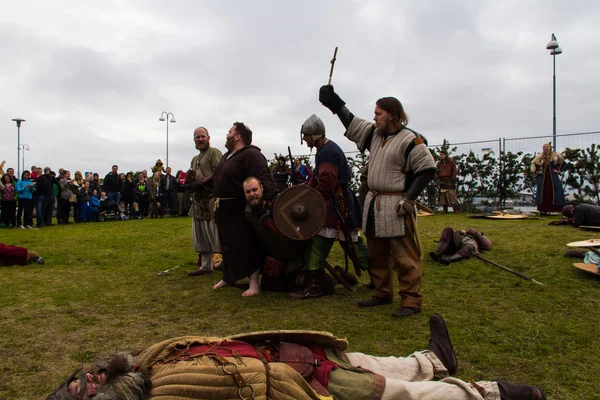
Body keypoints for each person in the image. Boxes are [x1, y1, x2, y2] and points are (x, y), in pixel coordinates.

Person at [47, 315, 546, 400]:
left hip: (282, 352)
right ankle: (490, 393)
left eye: (81, 376)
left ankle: (433, 359)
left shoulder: (144, 363)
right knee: (392, 393)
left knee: (365, 361)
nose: (88, 376)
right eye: (83, 389)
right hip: (293, 387)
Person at [319, 85, 437, 317]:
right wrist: (333, 102)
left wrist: (410, 199)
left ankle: (411, 300)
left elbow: (427, 169)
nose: (374, 117)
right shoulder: (374, 134)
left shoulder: (411, 140)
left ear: (392, 115)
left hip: (397, 205)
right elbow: (352, 122)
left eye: (378, 113)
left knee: (404, 255)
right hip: (374, 204)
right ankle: (382, 292)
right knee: (377, 252)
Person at [290, 114, 367, 298]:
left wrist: (311, 201)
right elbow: (316, 179)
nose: (305, 140)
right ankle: (380, 275)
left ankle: (315, 286)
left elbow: (326, 183)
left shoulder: (326, 152)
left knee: (320, 244)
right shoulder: (325, 149)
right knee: (353, 244)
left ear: (315, 135)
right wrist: (302, 191)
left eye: (307, 136)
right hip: (337, 203)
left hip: (336, 205)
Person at [212, 122, 276, 296]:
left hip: (240, 208)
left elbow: (263, 176)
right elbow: (216, 177)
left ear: (238, 136)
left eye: (230, 131)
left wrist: (269, 199)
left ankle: (254, 284)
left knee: (247, 244)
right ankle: (229, 277)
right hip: (224, 209)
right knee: (227, 246)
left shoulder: (251, 154)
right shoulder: (228, 156)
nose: (227, 134)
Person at [243, 176, 308, 293]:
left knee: (303, 285)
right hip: (274, 258)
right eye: (248, 192)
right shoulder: (249, 212)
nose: (252, 194)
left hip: (295, 256)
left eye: (254, 190)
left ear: (261, 188)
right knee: (271, 286)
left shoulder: (277, 204)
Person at [186, 127, 223, 277]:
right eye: (197, 137)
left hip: (211, 199)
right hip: (198, 200)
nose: (200, 139)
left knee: (215, 235)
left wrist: (202, 182)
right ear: (194, 140)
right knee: (201, 234)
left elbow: (220, 171)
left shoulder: (214, 152)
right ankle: (206, 266)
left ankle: (225, 264)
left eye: (202, 136)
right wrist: (190, 183)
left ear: (208, 137)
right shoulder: (195, 159)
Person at [531, 143, 565, 213]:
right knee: (543, 193)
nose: (546, 148)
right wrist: (537, 172)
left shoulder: (555, 156)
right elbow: (534, 165)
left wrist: (558, 170)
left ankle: (555, 210)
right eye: (544, 147)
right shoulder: (539, 157)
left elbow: (564, 164)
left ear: (550, 148)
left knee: (555, 192)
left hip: (553, 178)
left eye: (547, 147)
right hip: (543, 179)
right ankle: (543, 210)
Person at [435, 149, 460, 213]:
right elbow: (436, 172)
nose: (441, 156)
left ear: (445, 155)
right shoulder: (439, 163)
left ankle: (456, 209)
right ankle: (444, 209)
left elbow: (454, 171)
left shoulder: (451, 162)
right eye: (440, 154)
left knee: (451, 194)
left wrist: (452, 179)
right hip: (441, 180)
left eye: (442, 154)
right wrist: (438, 180)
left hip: (449, 179)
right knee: (443, 195)